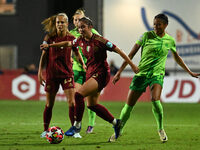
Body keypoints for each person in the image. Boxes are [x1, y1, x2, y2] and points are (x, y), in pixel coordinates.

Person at [40, 17, 139, 140]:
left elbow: (119, 51)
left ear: (90, 27)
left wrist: (132, 65)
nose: (80, 30)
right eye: (79, 28)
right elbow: (68, 44)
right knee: (92, 105)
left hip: (101, 74)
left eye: (83, 27)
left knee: (78, 95)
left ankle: (77, 125)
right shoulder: (80, 40)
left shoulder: (100, 41)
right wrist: (50, 45)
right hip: (91, 74)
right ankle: (116, 123)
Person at [109, 13, 200, 142]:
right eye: (154, 24)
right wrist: (119, 72)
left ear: (165, 25)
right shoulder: (146, 36)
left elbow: (177, 58)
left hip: (157, 74)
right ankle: (120, 129)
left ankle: (161, 129)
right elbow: (131, 54)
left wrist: (189, 72)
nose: (156, 27)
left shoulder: (170, 40)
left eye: (159, 24)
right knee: (129, 106)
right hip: (141, 74)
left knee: (155, 100)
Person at [38, 13, 86, 138]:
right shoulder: (49, 37)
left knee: (71, 103)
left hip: (66, 74)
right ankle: (45, 130)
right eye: (58, 22)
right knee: (49, 104)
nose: (60, 24)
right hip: (52, 75)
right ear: (55, 24)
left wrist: (83, 65)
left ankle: (74, 131)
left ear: (67, 23)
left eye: (62, 22)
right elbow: (43, 56)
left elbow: (77, 53)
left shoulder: (71, 38)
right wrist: (39, 72)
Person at [69, 8, 100, 134]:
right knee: (78, 97)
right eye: (75, 20)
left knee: (91, 101)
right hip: (77, 70)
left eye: (80, 19)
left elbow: (101, 46)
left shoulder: (92, 32)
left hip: (91, 69)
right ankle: (78, 123)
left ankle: (91, 124)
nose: (78, 22)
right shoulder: (71, 33)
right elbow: (67, 47)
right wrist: (69, 58)